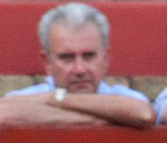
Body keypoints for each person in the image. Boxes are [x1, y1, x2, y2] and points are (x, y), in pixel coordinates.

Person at [0, 3, 154, 128]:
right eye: (67, 58)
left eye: (89, 56)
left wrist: (56, 99)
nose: (79, 69)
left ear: (106, 58)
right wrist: (97, 120)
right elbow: (3, 113)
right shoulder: (27, 97)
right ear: (47, 62)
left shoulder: (125, 98)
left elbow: (144, 114)